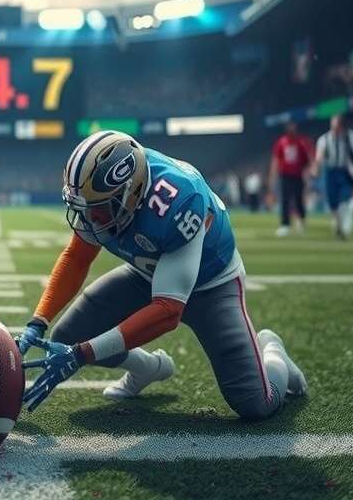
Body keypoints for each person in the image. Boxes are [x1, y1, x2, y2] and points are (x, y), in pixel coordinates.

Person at [16, 131, 307, 420]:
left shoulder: (181, 200)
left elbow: (168, 311)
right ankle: (147, 367)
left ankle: (273, 351)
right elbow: (77, 258)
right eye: (86, 209)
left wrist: (82, 355)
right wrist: (37, 322)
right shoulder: (108, 196)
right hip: (147, 272)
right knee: (68, 336)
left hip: (212, 285)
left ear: (131, 193)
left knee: (255, 403)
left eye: (99, 209)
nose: (91, 219)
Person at [311, 115, 353, 239]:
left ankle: (346, 227)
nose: (335, 130)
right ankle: (338, 223)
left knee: (346, 199)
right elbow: (319, 157)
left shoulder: (348, 136)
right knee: (333, 203)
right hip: (329, 172)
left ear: (341, 127)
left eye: (337, 126)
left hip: (344, 171)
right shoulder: (324, 139)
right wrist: (316, 168)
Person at [270, 122, 312, 237]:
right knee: (285, 200)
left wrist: (307, 174)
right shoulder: (281, 143)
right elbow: (276, 160)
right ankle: (285, 225)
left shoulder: (300, 142)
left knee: (299, 200)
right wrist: (273, 176)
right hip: (285, 175)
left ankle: (302, 222)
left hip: (298, 176)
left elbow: (306, 160)